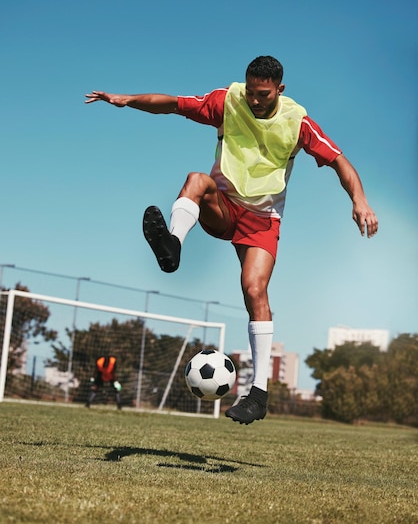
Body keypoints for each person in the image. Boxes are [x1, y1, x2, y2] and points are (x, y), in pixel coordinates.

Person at [85, 55, 378, 425]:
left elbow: (339, 161)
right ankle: (172, 246)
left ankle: (258, 393)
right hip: (223, 205)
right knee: (196, 180)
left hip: (262, 220)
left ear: (280, 90)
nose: (255, 100)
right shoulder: (229, 100)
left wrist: (360, 200)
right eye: (252, 92)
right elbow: (174, 105)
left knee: (254, 289)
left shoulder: (298, 122)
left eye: (264, 95)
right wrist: (128, 100)